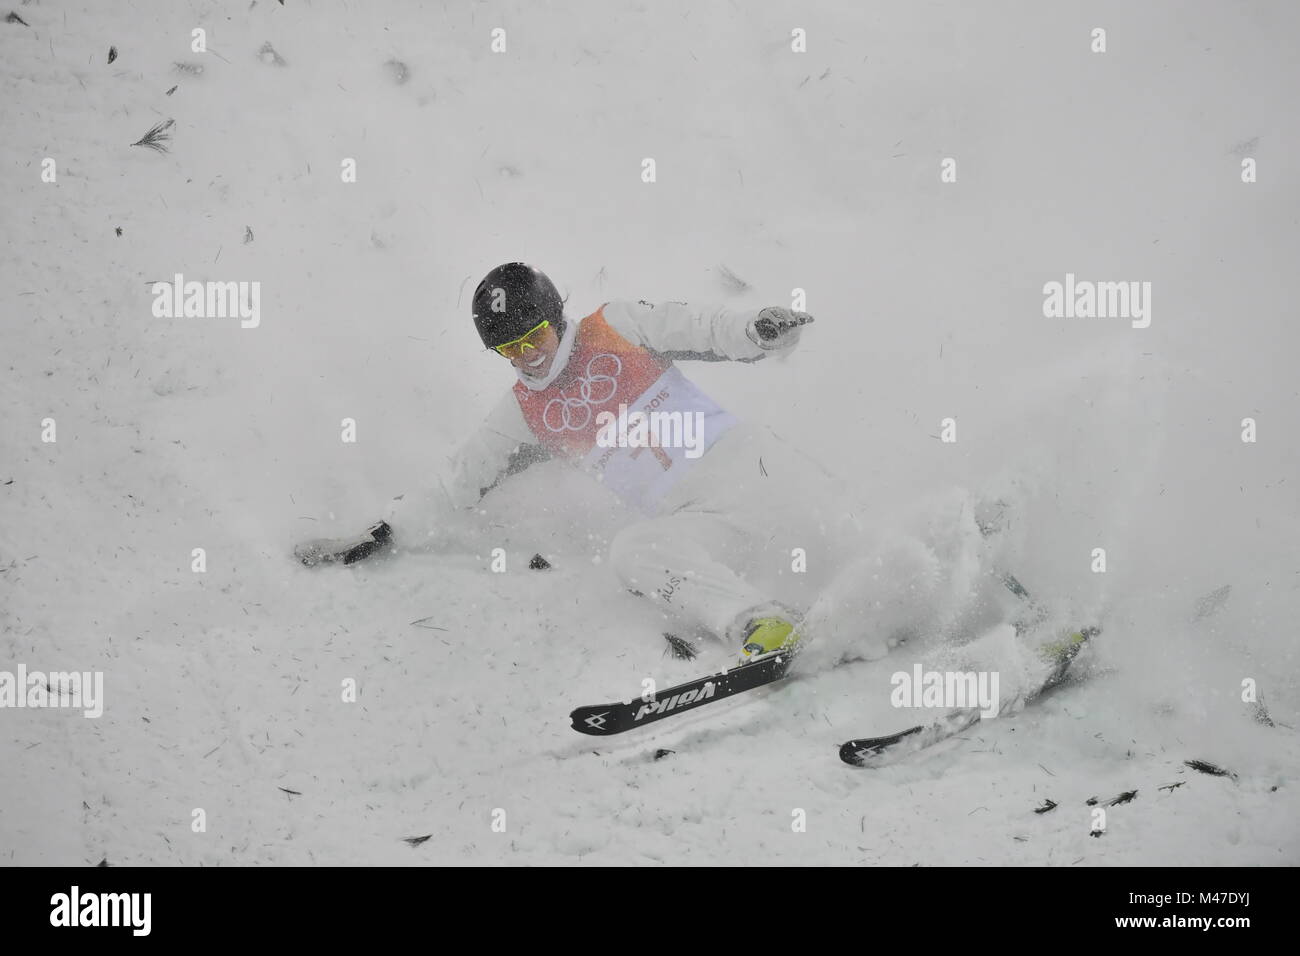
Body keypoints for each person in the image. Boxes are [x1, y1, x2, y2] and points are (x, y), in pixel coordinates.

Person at [295, 263, 989, 665]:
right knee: (633, 550)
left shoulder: (615, 326)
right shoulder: (521, 412)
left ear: (557, 318)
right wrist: (385, 529)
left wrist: (754, 330)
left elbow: (700, 327)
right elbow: (458, 481)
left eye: (534, 336)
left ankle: (983, 570)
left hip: (755, 467)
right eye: (511, 351)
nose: (530, 357)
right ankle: (757, 623)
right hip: (702, 521)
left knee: (863, 534)